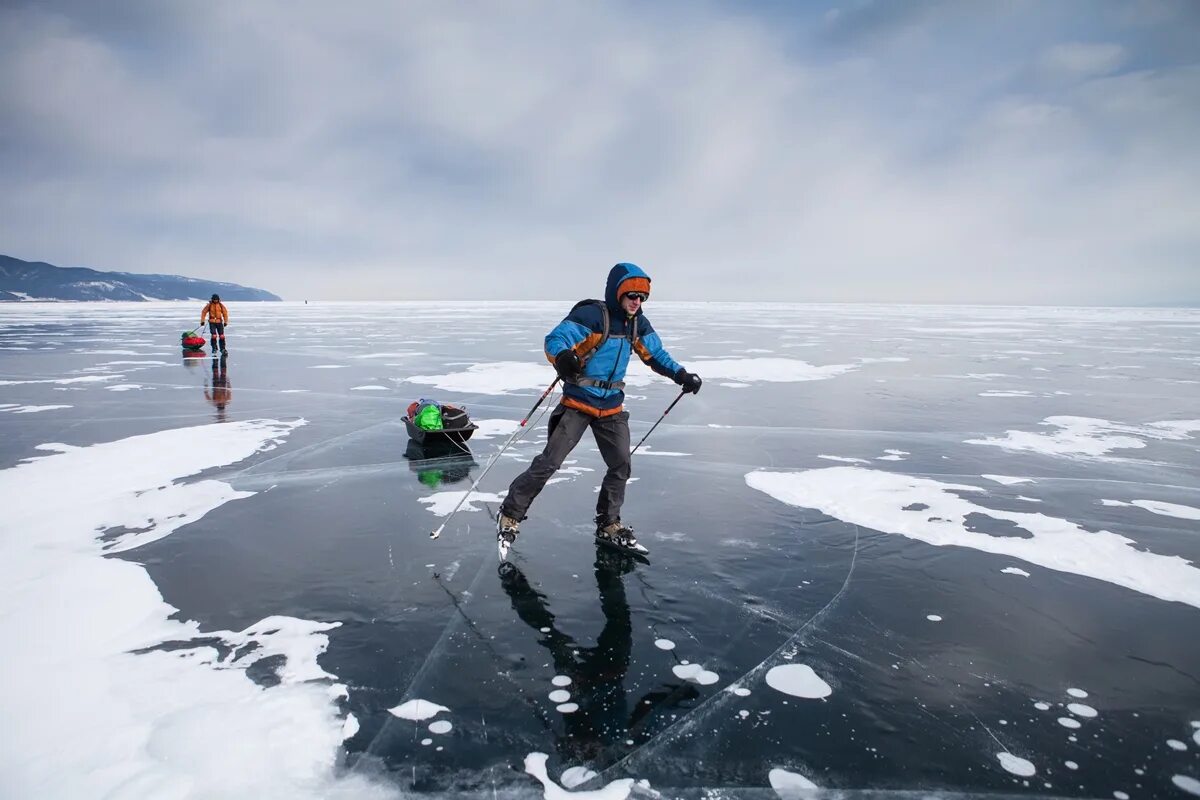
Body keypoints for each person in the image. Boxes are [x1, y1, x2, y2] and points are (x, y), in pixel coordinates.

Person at [496, 262, 701, 555]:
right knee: (549, 462)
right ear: (617, 293)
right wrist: (564, 356)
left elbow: (655, 354)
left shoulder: (637, 324)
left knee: (620, 465)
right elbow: (556, 339)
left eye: (641, 297)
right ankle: (510, 514)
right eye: (631, 295)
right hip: (579, 403)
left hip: (611, 408)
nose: (636, 301)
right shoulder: (592, 316)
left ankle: (609, 524)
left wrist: (681, 374)